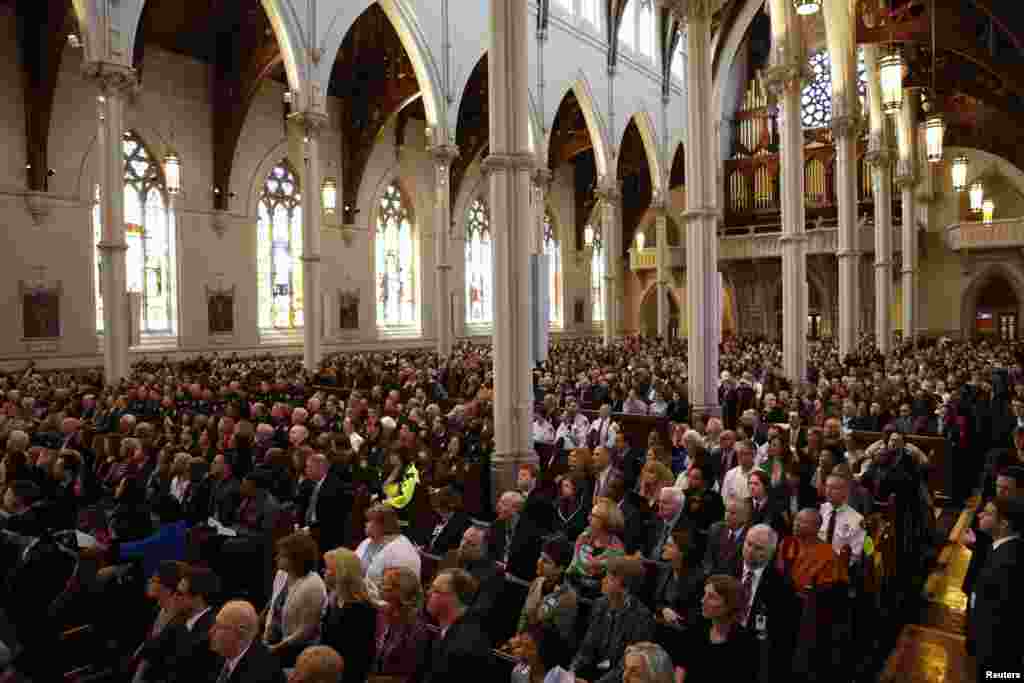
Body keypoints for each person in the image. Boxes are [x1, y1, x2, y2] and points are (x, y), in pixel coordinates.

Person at [570, 556, 654, 683]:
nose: (603, 581)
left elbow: (625, 667)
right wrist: (571, 672)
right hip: (596, 673)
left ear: (624, 588)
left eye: (609, 578)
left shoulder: (642, 618)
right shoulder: (599, 605)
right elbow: (586, 648)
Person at [969, 496, 1024, 682]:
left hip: (997, 656)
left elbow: (1003, 617)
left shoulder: (1007, 562)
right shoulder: (1001, 549)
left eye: (988, 513)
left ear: (1004, 524)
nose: (980, 515)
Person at [668, 575, 758, 683]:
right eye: (704, 594)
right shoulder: (695, 629)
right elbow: (681, 666)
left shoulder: (745, 642)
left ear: (729, 604)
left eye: (711, 597)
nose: (702, 600)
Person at [263, 533, 328, 667]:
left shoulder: (313, 585)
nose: (276, 558)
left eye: (282, 556)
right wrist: (266, 634)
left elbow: (306, 630)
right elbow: (273, 608)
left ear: (296, 559)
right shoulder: (282, 574)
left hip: (299, 648)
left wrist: (277, 647)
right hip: (278, 640)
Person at [418, 568, 493, 682]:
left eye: (436, 590)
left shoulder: (463, 645)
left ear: (454, 598)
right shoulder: (454, 630)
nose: (428, 593)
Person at [320, 548, 376, 683]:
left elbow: (356, 657)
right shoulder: (335, 597)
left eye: (328, 569)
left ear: (341, 574)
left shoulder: (360, 610)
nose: (324, 572)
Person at [517, 534, 578, 647]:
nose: (539, 562)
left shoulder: (568, 597)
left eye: (546, 561)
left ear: (560, 569)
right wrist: (517, 638)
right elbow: (524, 616)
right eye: (540, 557)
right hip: (523, 645)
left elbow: (558, 638)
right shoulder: (537, 582)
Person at [374, 567, 433, 677]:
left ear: (399, 591)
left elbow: (406, 674)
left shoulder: (416, 629)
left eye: (385, 584)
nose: (379, 586)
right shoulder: (381, 612)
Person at [210, 600, 285, 683]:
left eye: (219, 627)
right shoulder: (217, 659)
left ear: (241, 632)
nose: (211, 631)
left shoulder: (263, 672)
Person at [355, 504, 420, 599]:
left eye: (369, 521)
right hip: (364, 596)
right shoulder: (368, 541)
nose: (366, 524)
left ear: (382, 525)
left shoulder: (401, 550)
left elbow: (396, 589)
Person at [565, 498, 626, 598]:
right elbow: (571, 570)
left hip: (595, 599)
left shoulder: (617, 551)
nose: (588, 518)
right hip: (572, 590)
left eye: (593, 516)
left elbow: (607, 588)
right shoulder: (584, 536)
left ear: (605, 521)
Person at [654, 527, 704, 629]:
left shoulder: (698, 578)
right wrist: (664, 609)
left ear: (681, 552)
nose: (664, 548)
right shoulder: (665, 570)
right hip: (662, 623)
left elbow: (695, 614)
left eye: (669, 546)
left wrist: (673, 618)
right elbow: (656, 601)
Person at [507, 624, 573, 683]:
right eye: (521, 645)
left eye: (529, 648)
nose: (521, 652)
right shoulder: (518, 672)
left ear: (546, 651)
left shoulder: (563, 679)